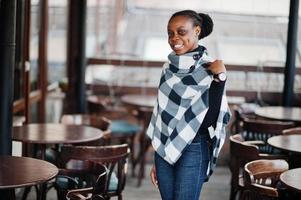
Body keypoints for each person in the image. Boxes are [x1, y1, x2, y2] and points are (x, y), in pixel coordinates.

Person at [146, 10, 231, 200]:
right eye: (170, 33)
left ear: (197, 31)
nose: (174, 38)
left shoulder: (210, 68)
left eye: (181, 32)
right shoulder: (168, 68)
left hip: (194, 147)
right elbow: (163, 115)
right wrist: (158, 157)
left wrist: (220, 80)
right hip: (164, 149)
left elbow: (209, 121)